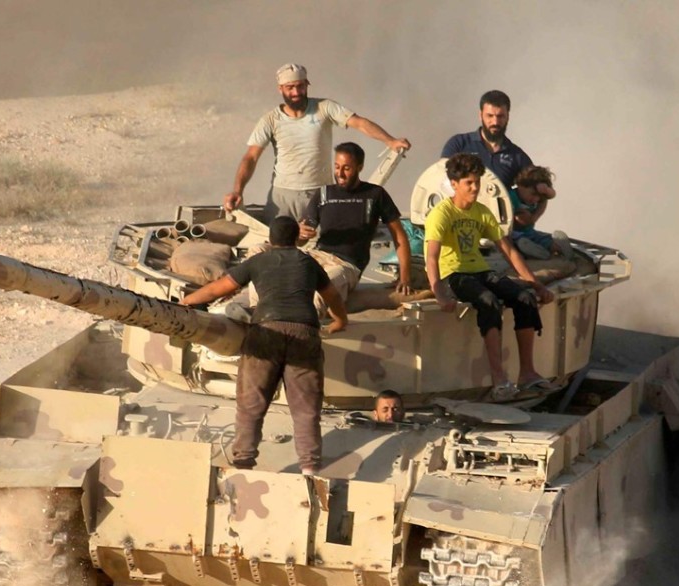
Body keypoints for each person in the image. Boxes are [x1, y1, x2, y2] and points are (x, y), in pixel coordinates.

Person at [180, 216, 348, 475]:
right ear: (296, 238)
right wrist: (340, 320)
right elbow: (332, 296)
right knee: (305, 409)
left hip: (265, 331)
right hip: (304, 333)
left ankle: (244, 462)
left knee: (251, 403)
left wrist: (186, 302)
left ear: (270, 239)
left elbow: (217, 289)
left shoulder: (258, 261)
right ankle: (310, 467)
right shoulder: (308, 262)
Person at [424, 153, 555, 402]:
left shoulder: (482, 212)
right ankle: (499, 379)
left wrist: (535, 284)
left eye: (477, 182)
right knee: (488, 301)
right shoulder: (441, 214)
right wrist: (439, 292)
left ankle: (527, 372)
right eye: (469, 183)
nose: (475, 188)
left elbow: (508, 251)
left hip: (479, 269)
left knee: (524, 298)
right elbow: (432, 257)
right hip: (454, 273)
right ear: (454, 184)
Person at [223, 63, 411, 223]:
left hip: (319, 194)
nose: (296, 92)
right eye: (290, 88)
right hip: (283, 198)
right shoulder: (270, 120)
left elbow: (359, 123)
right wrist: (238, 191)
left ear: (307, 84)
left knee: (323, 246)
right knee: (278, 244)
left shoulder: (324, 108)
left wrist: (390, 141)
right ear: (280, 89)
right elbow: (251, 157)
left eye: (300, 86)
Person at [300, 142, 414, 301]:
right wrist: (299, 234)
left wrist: (405, 277)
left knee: (322, 292)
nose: (340, 173)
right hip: (318, 257)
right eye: (337, 167)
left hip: (346, 265)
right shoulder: (323, 194)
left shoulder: (375, 195)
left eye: (346, 168)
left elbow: (399, 237)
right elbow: (301, 239)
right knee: (284, 280)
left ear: (360, 167)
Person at [441, 90, 532, 188]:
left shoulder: (517, 156)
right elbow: (440, 177)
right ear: (480, 116)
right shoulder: (458, 144)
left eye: (500, 116)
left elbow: (535, 187)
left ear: (507, 117)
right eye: (490, 116)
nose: (495, 122)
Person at [509, 165, 572, 260]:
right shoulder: (511, 197)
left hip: (529, 232)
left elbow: (550, 197)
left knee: (542, 239)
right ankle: (534, 251)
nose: (535, 199)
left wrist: (533, 218)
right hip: (514, 233)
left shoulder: (535, 199)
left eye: (539, 197)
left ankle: (559, 247)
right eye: (533, 194)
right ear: (521, 186)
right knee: (519, 240)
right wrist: (517, 219)